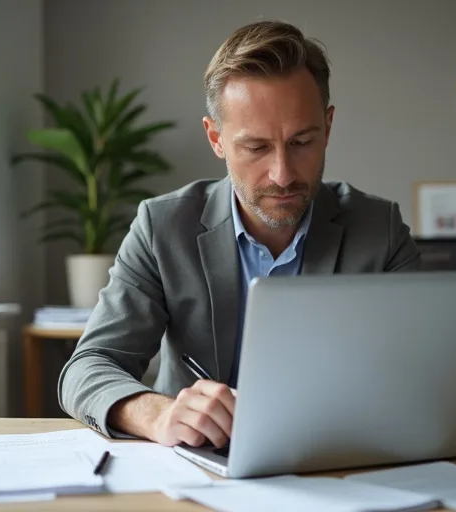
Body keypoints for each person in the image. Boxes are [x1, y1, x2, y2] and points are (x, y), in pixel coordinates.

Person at [58, 20, 421, 449]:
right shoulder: (162, 227)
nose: (282, 174)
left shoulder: (379, 230)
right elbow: (89, 367)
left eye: (302, 141)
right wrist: (159, 415)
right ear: (216, 138)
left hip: (337, 460)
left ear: (328, 127)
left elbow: (426, 371)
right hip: (198, 465)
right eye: (256, 148)